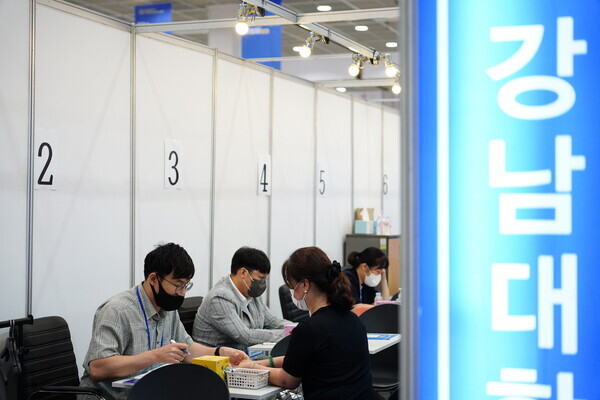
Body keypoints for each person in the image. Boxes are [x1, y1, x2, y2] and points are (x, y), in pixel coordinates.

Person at [79, 243, 248, 400]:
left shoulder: (167, 308)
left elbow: (187, 349)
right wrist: (155, 356)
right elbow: (98, 368)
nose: (182, 293)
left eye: (186, 286)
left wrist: (219, 352)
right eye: (178, 285)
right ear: (153, 279)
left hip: (150, 392)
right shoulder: (117, 310)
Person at [238, 246, 375, 400]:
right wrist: (263, 363)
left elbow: (287, 380)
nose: (291, 292)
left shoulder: (309, 329)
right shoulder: (353, 320)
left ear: (305, 285)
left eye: (292, 286)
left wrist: (253, 368)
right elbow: (302, 359)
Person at [193, 246, 291, 350]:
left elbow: (271, 321)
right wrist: (288, 334)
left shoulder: (251, 292)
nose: (263, 283)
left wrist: (297, 328)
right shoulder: (220, 297)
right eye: (261, 278)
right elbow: (245, 336)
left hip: (242, 354)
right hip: (214, 357)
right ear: (243, 272)